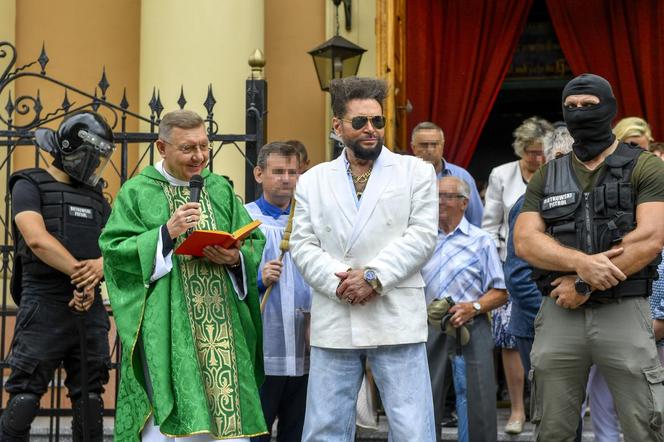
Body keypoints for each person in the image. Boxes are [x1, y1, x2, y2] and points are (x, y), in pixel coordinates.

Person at [99, 110, 267, 441]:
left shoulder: (218, 189)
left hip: (223, 331)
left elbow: (252, 243)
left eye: (204, 146)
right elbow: (115, 252)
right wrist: (164, 233)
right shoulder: (137, 192)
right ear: (162, 148)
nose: (200, 156)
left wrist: (235, 259)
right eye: (188, 148)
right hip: (170, 330)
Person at [514, 73, 664, 441]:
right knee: (553, 427)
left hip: (623, 310)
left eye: (590, 105)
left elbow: (650, 238)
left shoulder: (646, 167)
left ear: (609, 108)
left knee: (644, 423)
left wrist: (583, 283)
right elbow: (525, 241)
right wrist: (580, 263)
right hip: (560, 313)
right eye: (572, 107)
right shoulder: (548, 175)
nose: (580, 112)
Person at [290, 77, 438, 442]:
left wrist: (372, 276)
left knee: (412, 427)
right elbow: (302, 244)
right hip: (336, 310)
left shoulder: (416, 171)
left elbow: (422, 236)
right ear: (338, 127)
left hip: (394, 309)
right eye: (360, 122)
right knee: (325, 427)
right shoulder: (312, 180)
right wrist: (341, 282)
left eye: (378, 121)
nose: (371, 129)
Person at [0, 111, 114, 441]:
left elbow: (111, 247)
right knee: (24, 398)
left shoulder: (96, 198)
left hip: (89, 305)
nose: (94, 165)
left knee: (91, 400)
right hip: (44, 304)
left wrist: (96, 274)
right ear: (73, 150)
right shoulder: (28, 183)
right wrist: (83, 274)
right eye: (92, 156)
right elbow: (36, 238)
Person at [482, 116, 553, 434]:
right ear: (520, 149)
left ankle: (543, 408)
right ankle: (517, 409)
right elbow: (490, 225)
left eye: (541, 152)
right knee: (511, 341)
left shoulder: (555, 175)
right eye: (530, 152)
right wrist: (501, 269)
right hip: (507, 269)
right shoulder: (502, 174)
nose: (536, 159)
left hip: (542, 270)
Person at [423, 176, 508, 442]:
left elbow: (501, 292)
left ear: (464, 202)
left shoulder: (481, 241)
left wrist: (474, 306)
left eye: (446, 196)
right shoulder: (420, 240)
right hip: (428, 325)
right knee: (424, 398)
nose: (440, 202)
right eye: (436, 196)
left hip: (472, 324)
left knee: (478, 399)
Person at [245, 142, 312, 442]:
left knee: (297, 431)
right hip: (263, 346)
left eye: (292, 172)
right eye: (278, 172)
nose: (286, 178)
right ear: (259, 174)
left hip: (305, 342)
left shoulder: (310, 222)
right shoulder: (244, 219)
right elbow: (221, 276)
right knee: (257, 429)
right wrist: (258, 278)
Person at [411, 121, 484, 226]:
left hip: (456, 241)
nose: (430, 150)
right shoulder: (404, 176)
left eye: (435, 144)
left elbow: (477, 219)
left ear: (442, 146)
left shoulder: (462, 177)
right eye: (424, 145)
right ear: (413, 148)